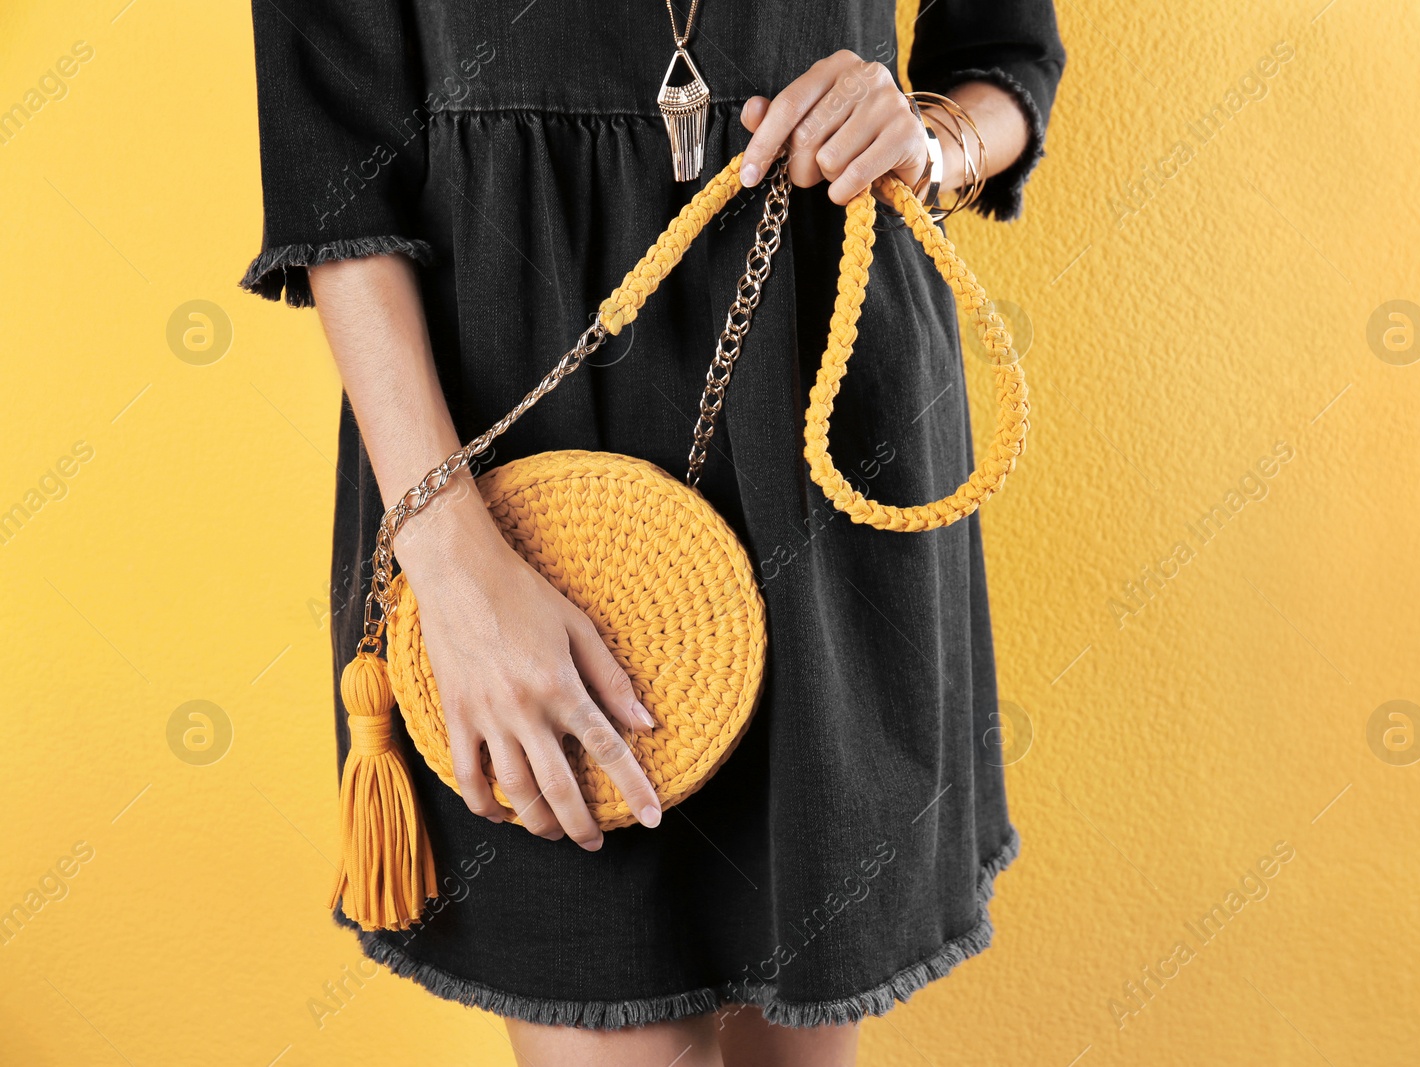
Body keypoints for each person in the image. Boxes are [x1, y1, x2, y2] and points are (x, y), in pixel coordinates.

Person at [240, 2, 1064, 1063]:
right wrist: (448, 562)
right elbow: (336, 168)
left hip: (824, 423)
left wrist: (931, 135)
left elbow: (1006, 53)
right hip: (513, 482)